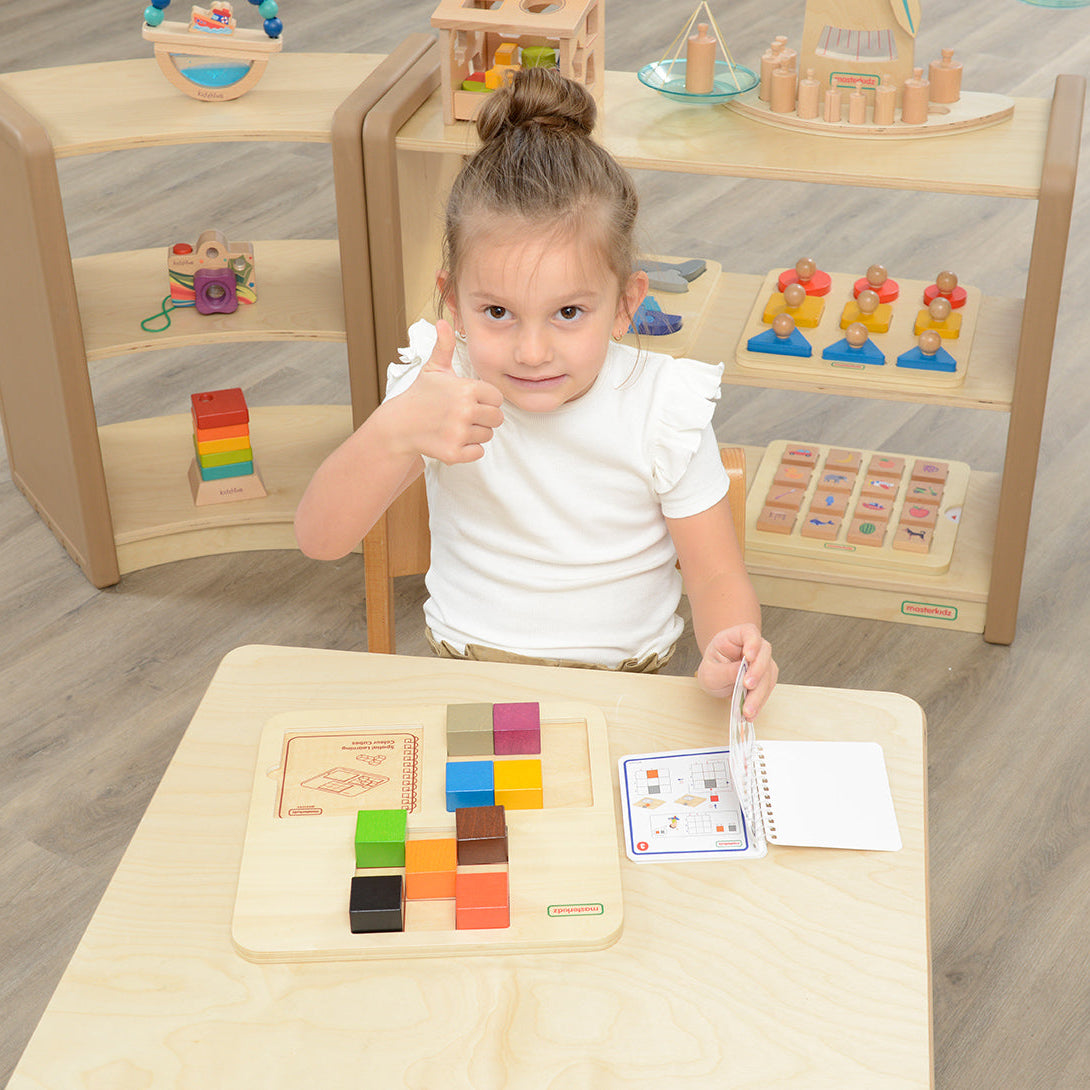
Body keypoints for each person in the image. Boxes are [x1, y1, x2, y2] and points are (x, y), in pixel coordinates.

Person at [295, 67, 777, 718]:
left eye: (569, 313)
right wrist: (396, 431)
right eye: (496, 312)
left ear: (625, 305)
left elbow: (716, 573)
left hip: (627, 679)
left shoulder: (662, 406)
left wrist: (730, 643)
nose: (530, 351)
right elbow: (321, 539)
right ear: (452, 301)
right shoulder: (435, 389)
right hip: (468, 670)